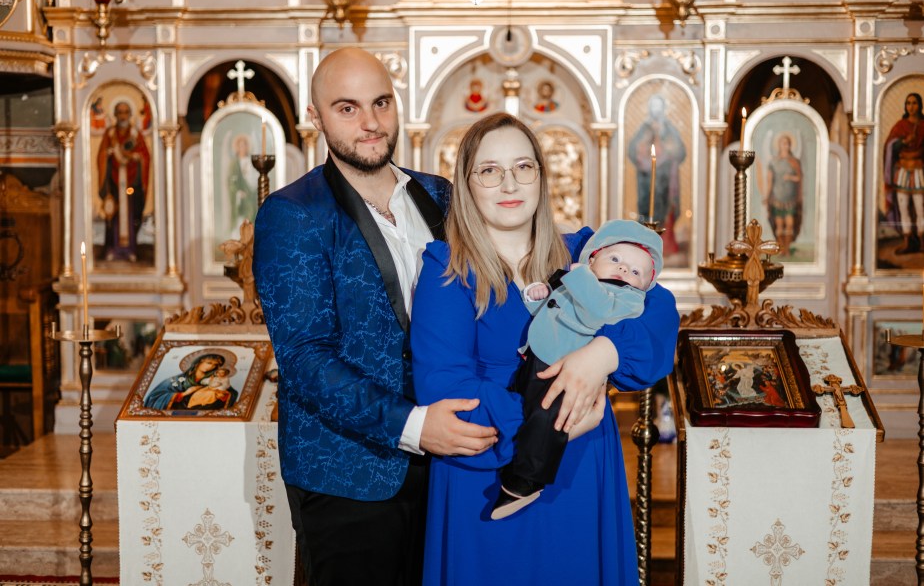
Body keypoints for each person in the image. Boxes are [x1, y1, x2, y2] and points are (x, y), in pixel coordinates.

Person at [252, 48, 498, 586]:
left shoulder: (441, 196)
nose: (370, 122)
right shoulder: (293, 213)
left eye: (381, 103)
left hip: (450, 465)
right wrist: (415, 426)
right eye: (348, 108)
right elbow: (305, 358)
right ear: (315, 117)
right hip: (348, 476)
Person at [411, 112, 679, 585]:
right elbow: (446, 390)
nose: (509, 183)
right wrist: (552, 427)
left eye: (523, 167)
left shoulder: (585, 253)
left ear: (541, 175)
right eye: (489, 170)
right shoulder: (446, 269)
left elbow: (659, 318)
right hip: (488, 469)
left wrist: (603, 354)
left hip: (580, 473)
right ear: (467, 184)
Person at [491, 218, 664, 519]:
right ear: (593, 258)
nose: (624, 270)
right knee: (524, 407)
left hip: (564, 370)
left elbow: (598, 312)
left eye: (636, 272)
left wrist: (580, 275)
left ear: (645, 285)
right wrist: (536, 297)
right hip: (538, 355)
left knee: (548, 416)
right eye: (615, 259)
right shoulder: (581, 281)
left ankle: (527, 480)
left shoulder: (627, 299)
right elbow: (553, 310)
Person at [628, 93, 686, 257]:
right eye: (653, 106)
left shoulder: (668, 129)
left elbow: (680, 151)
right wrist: (644, 148)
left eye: (658, 107)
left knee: (665, 211)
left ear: (663, 109)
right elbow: (632, 150)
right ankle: (643, 249)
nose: (656, 110)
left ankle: (665, 247)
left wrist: (666, 146)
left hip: (666, 180)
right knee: (645, 210)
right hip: (646, 181)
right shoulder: (644, 129)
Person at [96, 100, 151, 262]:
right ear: (115, 114)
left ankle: (131, 249)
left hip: (132, 183)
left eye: (126, 112)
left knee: (131, 214)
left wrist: (135, 157)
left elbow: (145, 156)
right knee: (114, 214)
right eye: (120, 112)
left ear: (130, 114)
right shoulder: (110, 134)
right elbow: (101, 155)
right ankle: (111, 248)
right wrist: (108, 154)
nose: (123, 116)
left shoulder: (135, 134)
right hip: (114, 182)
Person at [883, 92, 924, 255]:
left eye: (914, 103)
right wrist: (903, 142)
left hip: (919, 170)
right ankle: (907, 241)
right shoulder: (900, 125)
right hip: (902, 171)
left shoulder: (922, 125)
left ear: (920, 105)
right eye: (908, 103)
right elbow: (890, 146)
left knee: (920, 207)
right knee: (903, 206)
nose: (911, 107)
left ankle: (922, 240)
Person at [758, 132, 803, 257]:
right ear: (779, 145)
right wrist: (767, 196)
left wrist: (791, 177)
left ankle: (787, 249)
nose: (785, 146)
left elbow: (799, 177)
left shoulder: (794, 161)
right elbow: (770, 181)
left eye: (787, 143)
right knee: (779, 225)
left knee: (790, 224)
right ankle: (781, 249)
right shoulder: (773, 162)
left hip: (790, 198)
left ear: (790, 145)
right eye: (783, 143)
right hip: (777, 197)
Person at [144, 352, 225, 410]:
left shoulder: (215, 380)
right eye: (209, 363)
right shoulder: (177, 379)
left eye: (215, 365)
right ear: (198, 362)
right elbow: (154, 397)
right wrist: (184, 394)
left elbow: (228, 395)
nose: (211, 367)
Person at [226, 134, 258, 238]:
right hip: (240, 197)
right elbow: (231, 182)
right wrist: (238, 192)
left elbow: (255, 176)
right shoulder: (234, 163)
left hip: (251, 194)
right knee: (240, 218)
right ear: (237, 148)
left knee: (251, 214)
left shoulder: (251, 161)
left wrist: (252, 188)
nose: (242, 148)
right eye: (240, 146)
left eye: (244, 145)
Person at [169, 368, 237, 410]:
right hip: (208, 388)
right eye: (218, 372)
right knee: (198, 393)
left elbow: (226, 386)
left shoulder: (225, 379)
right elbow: (204, 381)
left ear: (225, 374)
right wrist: (209, 381)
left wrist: (217, 388)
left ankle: (204, 403)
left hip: (218, 391)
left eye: (222, 373)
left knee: (210, 394)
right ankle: (193, 405)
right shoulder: (213, 377)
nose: (220, 374)